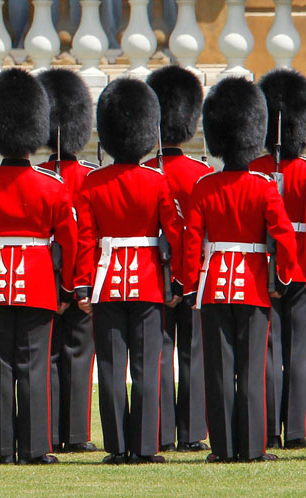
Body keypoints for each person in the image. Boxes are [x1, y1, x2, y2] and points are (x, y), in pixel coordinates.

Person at [0, 68, 76, 465]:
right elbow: (69, 241)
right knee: (35, 365)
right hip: (40, 281)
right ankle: (35, 447)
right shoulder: (53, 186)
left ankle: (2, 448)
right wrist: (68, 287)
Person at [184, 77, 296, 463]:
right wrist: (281, 276)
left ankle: (222, 448)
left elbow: (191, 242)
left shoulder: (205, 186)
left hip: (214, 285)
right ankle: (251, 448)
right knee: (251, 369)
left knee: (219, 369)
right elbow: (284, 236)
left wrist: (190, 282)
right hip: (251, 286)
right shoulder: (264, 186)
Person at [76, 78, 180, 464]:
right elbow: (173, 232)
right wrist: (177, 280)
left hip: (105, 281)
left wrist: (84, 286)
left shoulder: (93, 182)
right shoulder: (156, 181)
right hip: (149, 281)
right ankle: (147, 446)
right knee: (147, 366)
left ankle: (117, 446)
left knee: (111, 366)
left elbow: (86, 239)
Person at [144, 65, 211, 452]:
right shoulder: (200, 174)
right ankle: (191, 432)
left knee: (157, 354)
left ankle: (162, 431)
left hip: (153, 276)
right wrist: (187, 280)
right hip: (195, 275)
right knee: (193, 353)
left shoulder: (149, 171)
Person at [35, 67, 98, 454]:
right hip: (80, 278)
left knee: (49, 355)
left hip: (46, 277)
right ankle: (74, 434)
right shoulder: (91, 176)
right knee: (77, 354)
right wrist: (79, 284)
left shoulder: (40, 176)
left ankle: (50, 430)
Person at [248, 68, 306, 450]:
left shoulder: (253, 171)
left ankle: (268, 427)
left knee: (269, 351)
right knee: (300, 350)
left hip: (262, 268)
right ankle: (299, 429)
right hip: (301, 266)